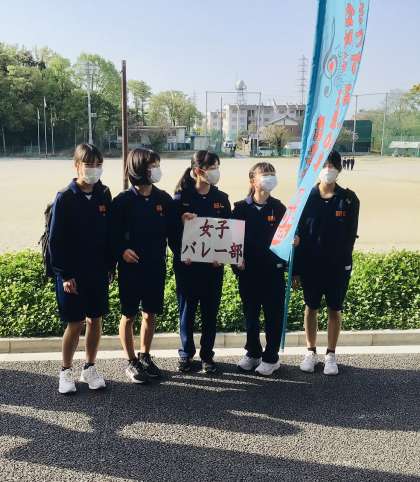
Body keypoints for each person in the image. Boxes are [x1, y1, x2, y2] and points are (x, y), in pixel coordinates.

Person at [49, 143, 112, 394]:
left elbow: (109, 234)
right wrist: (65, 274)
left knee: (95, 320)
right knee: (75, 323)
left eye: (98, 164)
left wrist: (110, 266)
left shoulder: (104, 193)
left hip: (97, 271)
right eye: (89, 164)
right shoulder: (65, 196)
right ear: (77, 166)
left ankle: (89, 367)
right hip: (72, 275)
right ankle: (65, 371)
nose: (94, 169)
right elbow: (56, 240)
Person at [111, 148, 177, 384]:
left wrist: (186, 220)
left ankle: (145, 356)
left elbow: (175, 231)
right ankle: (131, 361)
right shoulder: (122, 201)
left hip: (156, 266)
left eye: (157, 164)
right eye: (152, 165)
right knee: (128, 315)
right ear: (139, 168)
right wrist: (121, 250)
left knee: (150, 313)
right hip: (130, 269)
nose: (157, 169)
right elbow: (111, 234)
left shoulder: (164, 199)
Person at [293, 150, 360, 375]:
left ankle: (330, 354)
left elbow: (350, 235)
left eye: (332, 165)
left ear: (339, 169)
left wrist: (345, 264)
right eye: (324, 164)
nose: (328, 169)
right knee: (311, 307)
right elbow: (298, 236)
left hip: (337, 266)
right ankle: (310, 351)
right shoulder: (305, 198)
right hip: (310, 266)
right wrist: (296, 270)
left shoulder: (348, 199)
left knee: (335, 309)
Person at [173, 150, 231, 374]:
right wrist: (181, 248)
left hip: (213, 268)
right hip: (187, 267)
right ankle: (186, 353)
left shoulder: (221, 199)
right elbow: (171, 234)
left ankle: (207, 355)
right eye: (212, 168)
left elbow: (228, 231)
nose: (216, 172)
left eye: (217, 167)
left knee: (210, 313)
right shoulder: (181, 198)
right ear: (198, 171)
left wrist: (222, 256)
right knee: (186, 311)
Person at [232, 162, 287, 376]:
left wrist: (295, 240)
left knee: (273, 316)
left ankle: (271, 357)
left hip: (273, 273)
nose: (269, 178)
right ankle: (253, 352)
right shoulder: (240, 209)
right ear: (252, 180)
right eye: (265, 174)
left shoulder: (280, 209)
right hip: (248, 273)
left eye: (272, 174)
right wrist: (236, 262)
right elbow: (232, 240)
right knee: (251, 316)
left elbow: (288, 239)